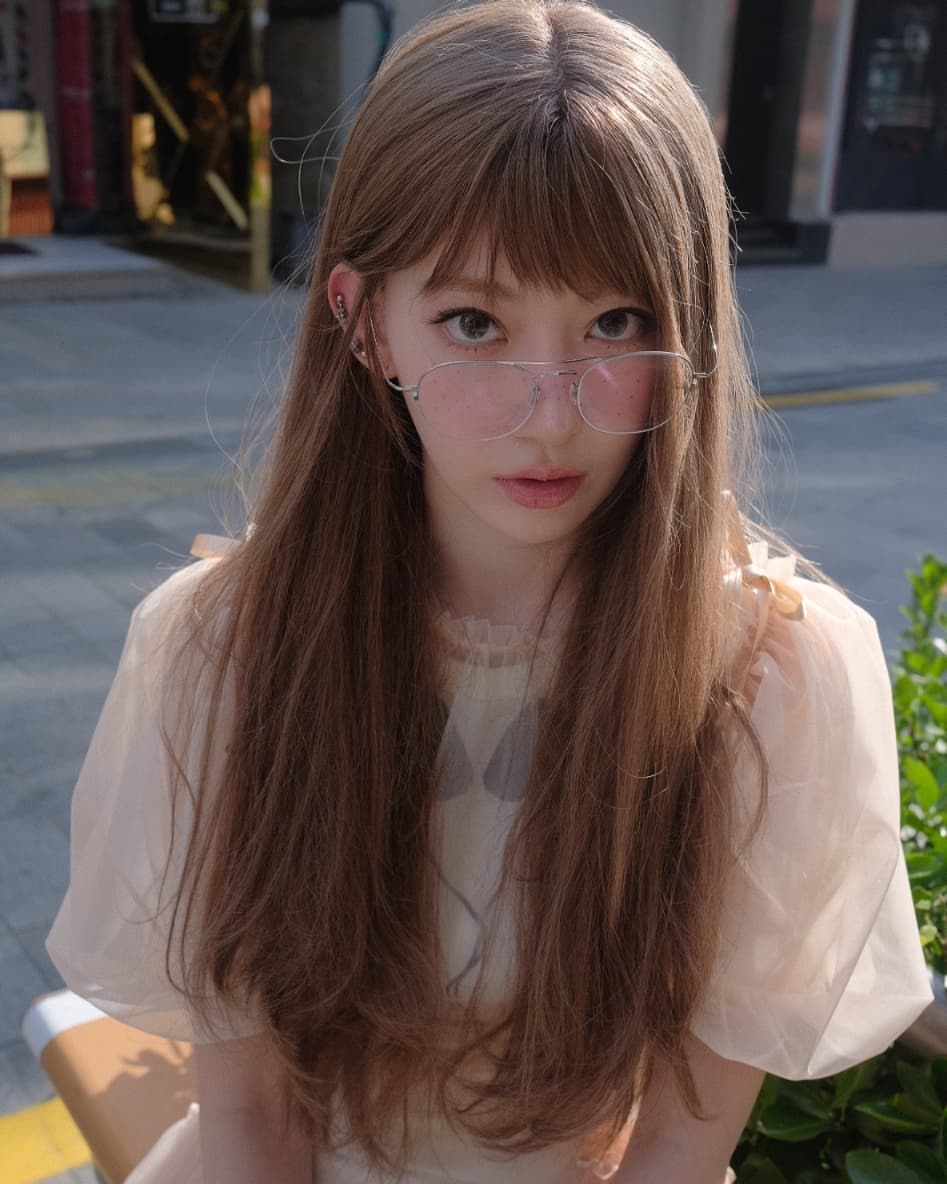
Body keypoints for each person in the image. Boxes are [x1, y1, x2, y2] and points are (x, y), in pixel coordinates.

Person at [46, 1, 932, 1181]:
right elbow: (253, 1118)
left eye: (615, 321)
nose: (548, 413)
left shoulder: (772, 677)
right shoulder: (225, 649)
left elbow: (677, 1141)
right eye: (473, 321)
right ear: (364, 324)